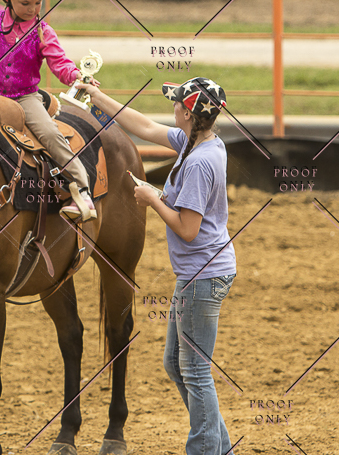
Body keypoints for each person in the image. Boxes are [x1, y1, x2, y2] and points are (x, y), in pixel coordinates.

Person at [78, 77, 237, 455]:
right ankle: (220, 447)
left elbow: (188, 229)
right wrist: (98, 96)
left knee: (194, 371)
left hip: (202, 276)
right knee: (177, 364)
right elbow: (145, 126)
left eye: (177, 102)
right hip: (200, 274)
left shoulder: (198, 162)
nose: (173, 106)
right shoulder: (199, 142)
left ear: (188, 114)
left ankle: (205, 450)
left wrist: (153, 198)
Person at [0, 0, 96, 222]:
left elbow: (59, 62)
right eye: (25, 3)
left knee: (49, 133)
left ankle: (81, 189)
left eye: (38, 2)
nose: (33, 9)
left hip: (25, 97)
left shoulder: (43, 32)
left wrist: (75, 76)